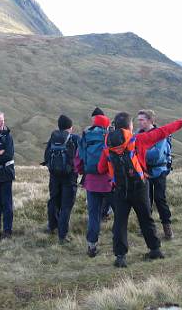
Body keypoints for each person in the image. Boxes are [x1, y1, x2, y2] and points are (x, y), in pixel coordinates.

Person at [97, 113, 182, 267]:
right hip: (140, 186)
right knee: (145, 218)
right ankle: (155, 250)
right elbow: (162, 132)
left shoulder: (108, 145)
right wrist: (181, 122)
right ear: (129, 126)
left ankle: (120, 257)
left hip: (120, 189)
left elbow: (101, 168)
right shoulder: (138, 140)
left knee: (120, 223)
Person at [74, 107, 112, 257]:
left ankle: (92, 246)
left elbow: (79, 158)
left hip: (91, 182)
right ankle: (118, 245)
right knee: (119, 213)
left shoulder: (86, 135)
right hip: (109, 182)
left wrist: (83, 172)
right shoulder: (110, 135)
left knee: (93, 215)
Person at [137, 110, 174, 240]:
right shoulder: (138, 134)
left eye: (142, 119)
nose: (139, 122)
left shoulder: (160, 135)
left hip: (159, 172)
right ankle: (147, 229)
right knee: (146, 201)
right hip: (144, 173)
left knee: (159, 199)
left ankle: (167, 228)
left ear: (150, 120)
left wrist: (141, 153)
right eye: (139, 119)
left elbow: (156, 156)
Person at [43, 115, 80, 244]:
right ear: (70, 127)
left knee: (53, 200)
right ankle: (62, 235)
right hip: (69, 177)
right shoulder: (74, 139)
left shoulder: (53, 138)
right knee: (66, 206)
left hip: (54, 176)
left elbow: (46, 155)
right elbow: (80, 156)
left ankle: (52, 226)